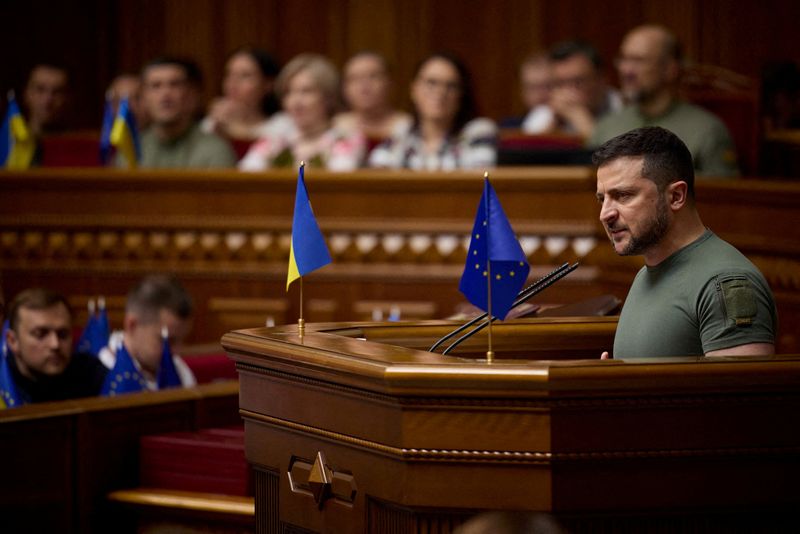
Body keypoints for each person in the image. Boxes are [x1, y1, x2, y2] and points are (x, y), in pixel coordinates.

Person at [593, 126, 776, 359]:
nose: (605, 214)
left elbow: (741, 393)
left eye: (623, 195)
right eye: (602, 199)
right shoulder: (647, 274)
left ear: (676, 196)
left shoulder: (724, 283)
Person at [590, 25, 739, 177]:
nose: (626, 70)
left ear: (670, 69)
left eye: (638, 60)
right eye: (623, 59)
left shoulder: (707, 130)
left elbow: (724, 195)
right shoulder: (606, 127)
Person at [369, 52, 497, 170]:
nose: (440, 92)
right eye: (431, 83)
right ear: (414, 89)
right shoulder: (402, 132)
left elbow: (478, 182)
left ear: (462, 94)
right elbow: (377, 175)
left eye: (451, 86)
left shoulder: (478, 131)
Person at [239, 53, 365, 171]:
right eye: (289, 92)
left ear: (328, 97)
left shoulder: (344, 137)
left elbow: (341, 182)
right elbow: (246, 175)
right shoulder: (275, 137)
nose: (295, 102)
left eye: (306, 91)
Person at [2, 288, 107, 406]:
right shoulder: (3, 385)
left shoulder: (91, 373)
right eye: (40, 334)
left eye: (63, 334)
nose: (55, 344)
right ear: (13, 341)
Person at [134, 56, 237, 168]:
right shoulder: (132, 149)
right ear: (143, 97)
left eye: (174, 85)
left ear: (192, 95)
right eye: (156, 86)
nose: (165, 95)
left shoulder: (215, 150)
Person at [99, 274, 196, 390]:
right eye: (167, 341)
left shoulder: (180, 371)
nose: (176, 351)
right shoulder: (98, 377)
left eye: (182, 340)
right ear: (132, 325)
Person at [201, 47, 281, 141]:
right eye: (229, 74)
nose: (233, 83)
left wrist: (233, 130)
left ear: (268, 84)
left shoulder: (282, 125)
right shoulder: (211, 124)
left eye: (245, 76)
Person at [548, 40, 623, 139]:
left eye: (577, 82)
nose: (568, 93)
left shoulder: (624, 108)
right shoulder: (545, 112)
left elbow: (615, 152)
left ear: (601, 79)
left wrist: (578, 116)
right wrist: (553, 125)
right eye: (560, 84)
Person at [333, 51, 411, 142]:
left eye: (373, 77)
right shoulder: (333, 128)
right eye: (355, 79)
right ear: (344, 88)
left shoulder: (409, 127)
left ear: (390, 83)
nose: (364, 86)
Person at [500, 52, 554, 133]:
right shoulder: (508, 129)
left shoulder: (574, 124)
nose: (541, 95)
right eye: (533, 88)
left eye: (547, 86)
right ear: (522, 92)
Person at [23, 63, 71, 137]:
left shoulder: (83, 144)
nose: (48, 100)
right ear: (26, 93)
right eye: (40, 89)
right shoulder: (7, 143)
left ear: (68, 98)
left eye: (57, 92)